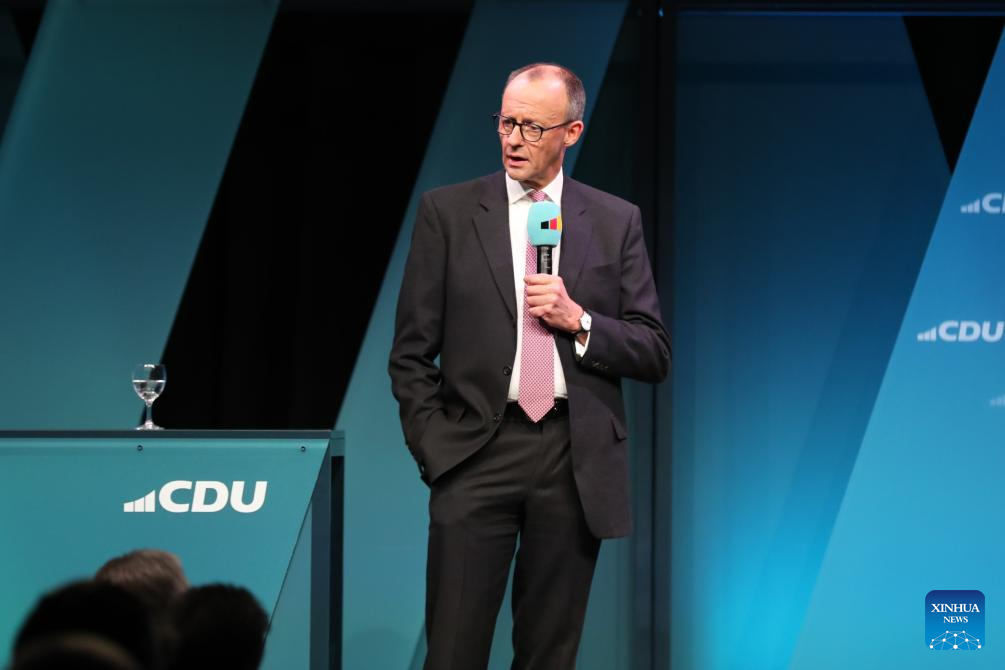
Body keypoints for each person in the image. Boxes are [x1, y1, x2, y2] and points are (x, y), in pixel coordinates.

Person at [389, 62, 670, 669]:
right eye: (506, 122)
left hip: (573, 458)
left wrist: (580, 319)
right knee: (454, 652)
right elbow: (410, 352)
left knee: (549, 655)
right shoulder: (449, 212)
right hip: (475, 452)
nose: (514, 139)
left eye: (533, 128)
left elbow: (653, 350)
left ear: (572, 132)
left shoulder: (615, 221)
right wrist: (436, 446)